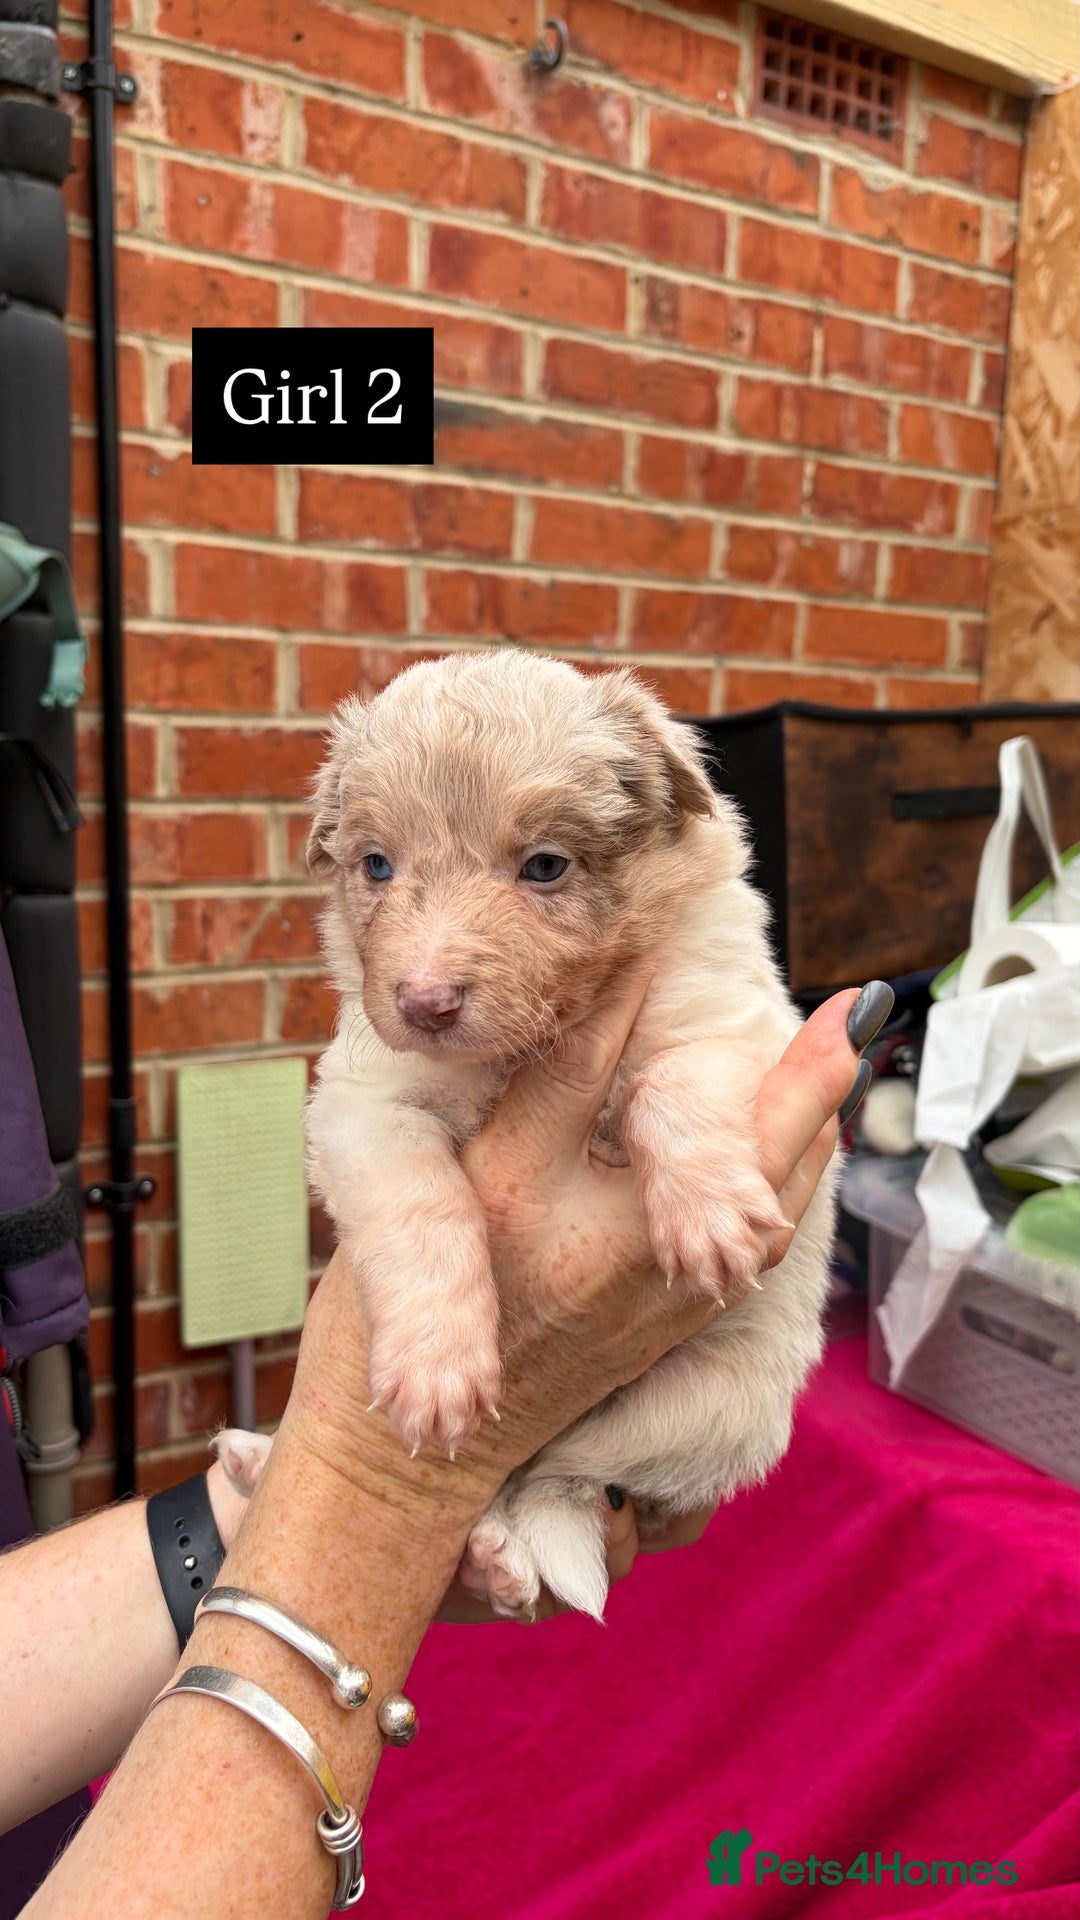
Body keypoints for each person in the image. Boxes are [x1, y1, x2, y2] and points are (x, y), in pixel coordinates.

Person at [5, 969, 879, 1920]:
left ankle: (542, 1489)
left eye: (543, 882)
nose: (423, 975)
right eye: (381, 885)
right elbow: (364, 1122)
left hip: (664, 1413)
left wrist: (269, 1506)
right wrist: (372, 1483)